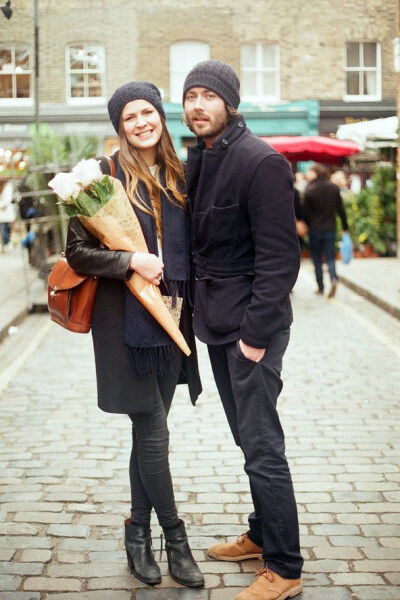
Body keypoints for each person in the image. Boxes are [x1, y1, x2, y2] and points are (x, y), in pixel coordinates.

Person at [66, 81, 204, 589]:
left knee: (148, 434)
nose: (141, 122)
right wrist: (130, 262)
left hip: (174, 318)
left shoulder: (183, 174)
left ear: (161, 116)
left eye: (148, 111)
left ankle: (137, 534)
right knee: (153, 430)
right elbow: (77, 252)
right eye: (130, 117)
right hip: (123, 322)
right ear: (118, 126)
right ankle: (174, 538)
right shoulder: (104, 176)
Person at [183, 60, 303, 600]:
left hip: (250, 331)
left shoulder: (262, 162)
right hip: (217, 324)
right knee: (244, 438)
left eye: (209, 95)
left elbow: (281, 259)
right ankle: (260, 534)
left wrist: (254, 335)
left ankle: (284, 567)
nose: (197, 106)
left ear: (229, 103)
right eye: (190, 97)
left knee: (262, 446)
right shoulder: (204, 157)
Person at [304, 163, 348, 297]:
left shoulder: (310, 189)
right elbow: (341, 210)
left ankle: (320, 287)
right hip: (330, 228)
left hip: (315, 229)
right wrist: (345, 227)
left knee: (316, 258)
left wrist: (306, 225)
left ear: (316, 173)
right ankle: (333, 279)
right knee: (330, 257)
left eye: (310, 172)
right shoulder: (334, 188)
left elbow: (305, 213)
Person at [0, 180, 16, 252]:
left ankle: (7, 245)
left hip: (6, 215)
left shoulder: (8, 189)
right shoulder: (5, 189)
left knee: (5, 230)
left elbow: (6, 201)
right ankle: (6, 245)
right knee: (5, 230)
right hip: (4, 216)